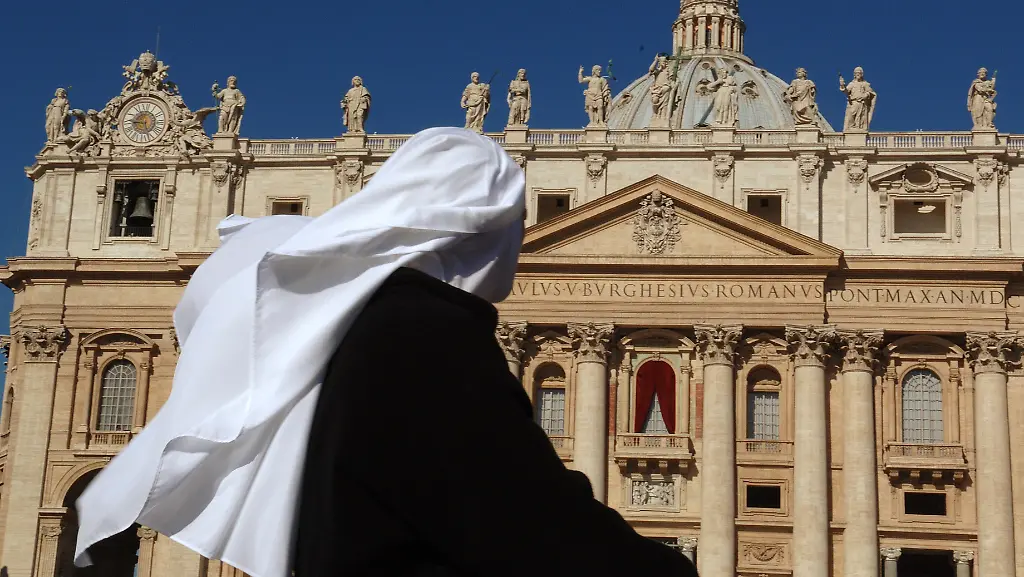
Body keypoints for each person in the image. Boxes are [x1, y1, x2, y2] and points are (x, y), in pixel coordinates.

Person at [73, 127, 699, 577]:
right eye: (518, 221)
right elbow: (525, 522)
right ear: (480, 225)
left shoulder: (352, 322)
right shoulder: (424, 336)